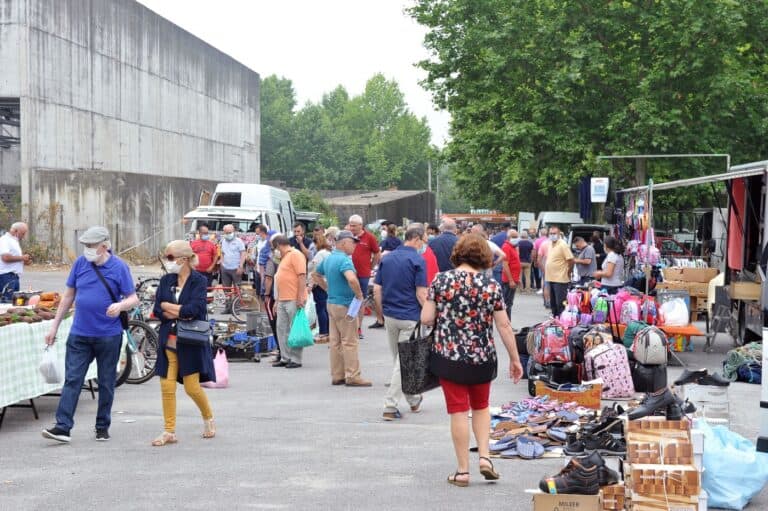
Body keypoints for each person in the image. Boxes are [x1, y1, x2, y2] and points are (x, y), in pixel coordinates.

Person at [420, 233, 523, 487]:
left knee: (458, 411)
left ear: (458, 253)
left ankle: (463, 471)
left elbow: (426, 318)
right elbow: (504, 326)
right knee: (481, 407)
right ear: (484, 257)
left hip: (449, 356)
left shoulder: (441, 280)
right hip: (482, 357)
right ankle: (485, 458)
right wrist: (515, 359)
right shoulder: (491, 286)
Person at [42, 226, 139, 443]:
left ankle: (102, 426)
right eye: (85, 245)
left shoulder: (119, 267)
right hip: (80, 333)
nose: (87, 249)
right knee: (73, 380)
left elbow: (133, 298)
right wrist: (54, 327)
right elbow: (68, 296)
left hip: (109, 335)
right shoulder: (80, 264)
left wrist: (120, 305)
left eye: (91, 245)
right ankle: (63, 427)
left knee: (106, 382)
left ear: (104, 246)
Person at [150, 240, 216, 446]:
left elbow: (193, 310)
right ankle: (169, 431)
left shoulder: (199, 281)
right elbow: (158, 309)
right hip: (168, 338)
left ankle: (208, 418)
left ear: (184, 259)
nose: (167, 261)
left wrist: (169, 306)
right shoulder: (166, 280)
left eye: (170, 257)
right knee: (166, 385)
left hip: (190, 340)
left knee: (191, 387)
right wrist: (175, 310)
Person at [374, 225, 428, 421]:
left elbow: (377, 289)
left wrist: (380, 314)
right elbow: (421, 293)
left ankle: (413, 399)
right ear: (416, 239)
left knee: (400, 360)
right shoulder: (417, 260)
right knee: (404, 363)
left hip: (390, 315)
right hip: (410, 316)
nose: (425, 244)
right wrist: (431, 314)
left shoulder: (387, 259)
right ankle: (390, 405)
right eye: (424, 240)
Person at [312, 230, 372, 387]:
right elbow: (352, 279)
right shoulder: (345, 260)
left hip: (332, 303)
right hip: (345, 305)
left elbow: (315, 275)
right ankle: (353, 375)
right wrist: (359, 295)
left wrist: (327, 288)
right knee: (350, 341)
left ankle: (337, 375)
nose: (355, 246)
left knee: (335, 341)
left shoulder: (329, 258)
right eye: (353, 243)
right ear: (344, 243)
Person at [272, 235, 308, 369]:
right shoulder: (285, 257)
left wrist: (300, 297)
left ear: (278, 245)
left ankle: (296, 358)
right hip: (283, 299)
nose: (274, 251)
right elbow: (281, 280)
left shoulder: (295, 255)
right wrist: (277, 300)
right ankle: (285, 357)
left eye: (274, 248)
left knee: (295, 329)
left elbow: (302, 276)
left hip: (293, 298)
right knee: (282, 329)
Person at [348, 214, 381, 333]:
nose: (351, 228)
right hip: (348, 273)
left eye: (354, 226)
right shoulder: (348, 236)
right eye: (350, 225)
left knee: (360, 299)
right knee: (348, 299)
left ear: (361, 225)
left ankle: (358, 327)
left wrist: (370, 267)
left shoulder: (369, 237)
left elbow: (377, 253)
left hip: (363, 274)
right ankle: (349, 326)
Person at [544, 227, 574, 317]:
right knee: (553, 303)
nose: (552, 235)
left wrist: (568, 272)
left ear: (559, 234)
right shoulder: (550, 244)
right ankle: (555, 319)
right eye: (550, 233)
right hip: (551, 278)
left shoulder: (563, 244)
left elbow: (571, 260)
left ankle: (562, 320)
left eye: (554, 233)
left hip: (560, 279)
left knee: (560, 303)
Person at [0, 222, 31, 302]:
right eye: (22, 233)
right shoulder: (5, 240)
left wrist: (24, 261)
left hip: (14, 277)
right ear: (15, 231)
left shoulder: (14, 241)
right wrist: (22, 258)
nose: (23, 236)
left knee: (15, 302)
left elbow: (14, 258)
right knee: (7, 302)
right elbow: (5, 257)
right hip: (6, 277)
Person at [309, 232, 332, 343]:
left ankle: (323, 332)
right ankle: (328, 330)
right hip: (327, 282)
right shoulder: (328, 253)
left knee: (320, 308)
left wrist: (311, 284)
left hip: (319, 284)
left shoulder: (319, 254)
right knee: (325, 308)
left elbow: (315, 271)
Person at [500, 230, 522, 319]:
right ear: (509, 238)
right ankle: (507, 322)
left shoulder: (512, 247)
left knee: (509, 302)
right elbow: (505, 265)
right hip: (509, 281)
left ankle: (507, 322)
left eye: (517, 237)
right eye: (514, 237)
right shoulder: (506, 247)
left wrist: (517, 278)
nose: (516, 239)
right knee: (507, 303)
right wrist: (511, 280)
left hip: (513, 279)